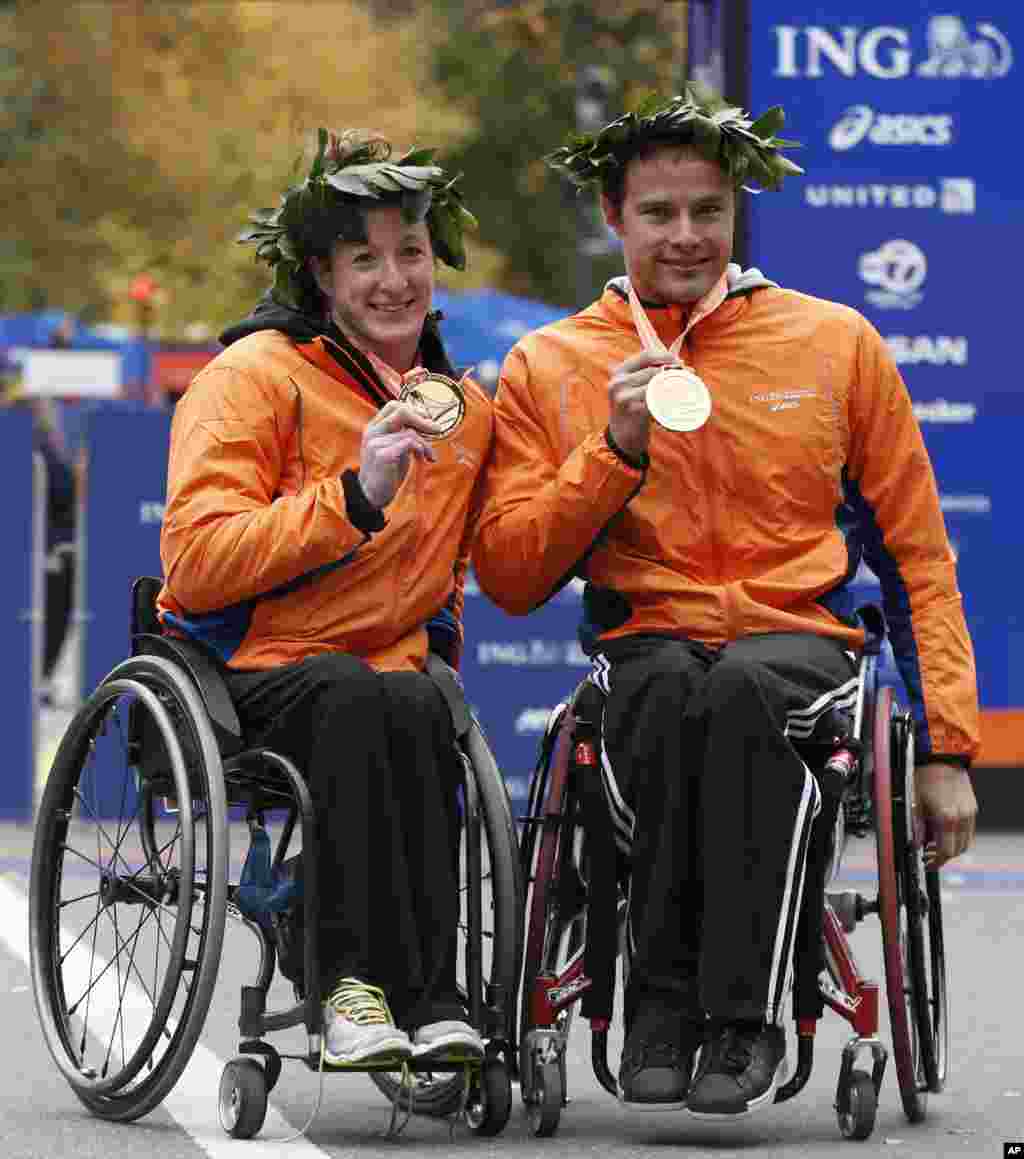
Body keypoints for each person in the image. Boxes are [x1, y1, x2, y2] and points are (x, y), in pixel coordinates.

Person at [472, 87, 980, 1119]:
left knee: (745, 693)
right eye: (658, 213)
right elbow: (513, 576)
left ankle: (740, 1014)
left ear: (737, 213)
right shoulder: (551, 362)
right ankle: (657, 1005)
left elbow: (917, 557)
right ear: (613, 219)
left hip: (797, 645)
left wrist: (946, 752)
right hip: (646, 641)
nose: (686, 236)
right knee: (664, 690)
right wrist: (610, 450)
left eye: (708, 209)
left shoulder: (833, 343)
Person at [157, 128, 493, 1069]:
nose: (393, 280)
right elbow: (195, 562)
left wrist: (440, 642)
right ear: (321, 273)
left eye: (412, 253)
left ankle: (433, 995)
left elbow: (453, 568)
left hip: (383, 676)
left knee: (423, 697)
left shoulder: (464, 406)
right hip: (246, 667)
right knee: (353, 690)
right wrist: (353, 497)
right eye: (364, 259)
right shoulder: (252, 377)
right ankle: (346, 982)